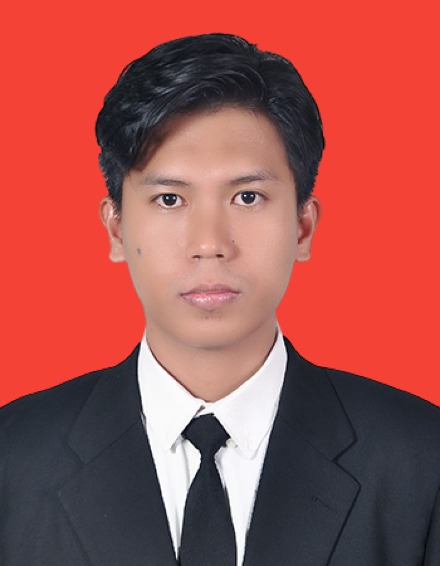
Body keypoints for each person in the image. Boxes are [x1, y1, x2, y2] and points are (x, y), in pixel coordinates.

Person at [1, 33, 439, 566]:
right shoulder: (13, 458)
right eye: (169, 199)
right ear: (116, 229)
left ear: (302, 227)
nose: (209, 243)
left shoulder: (422, 459)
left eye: (247, 197)